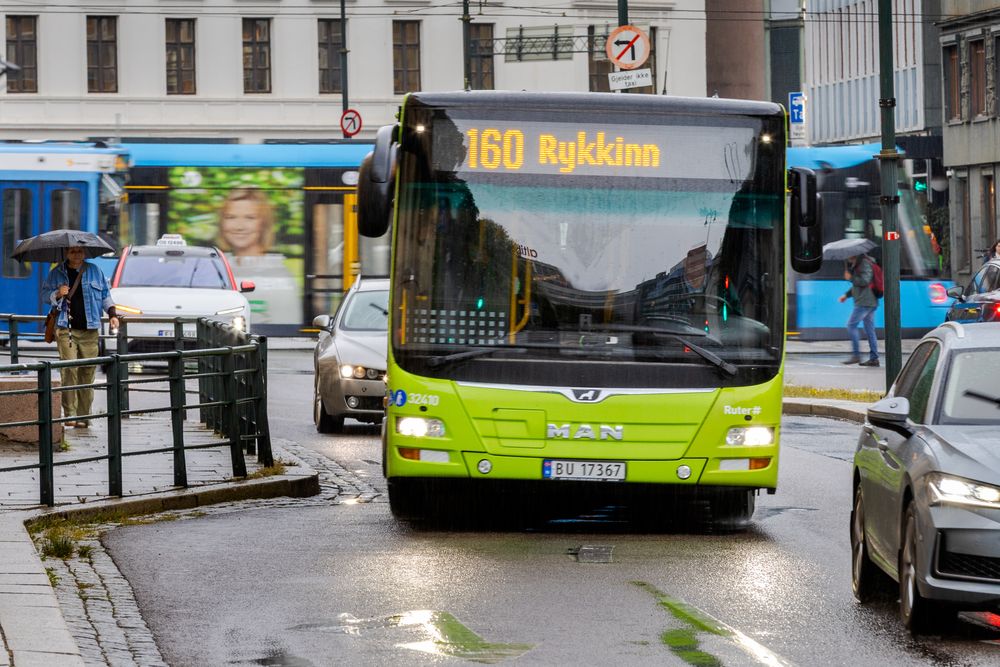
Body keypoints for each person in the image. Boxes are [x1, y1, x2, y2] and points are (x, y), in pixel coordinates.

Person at [41, 246, 120, 427]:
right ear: (66, 254)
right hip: (65, 328)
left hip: (90, 330)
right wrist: (57, 293)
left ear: (84, 253)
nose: (77, 254)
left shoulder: (94, 271)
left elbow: (105, 296)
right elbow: (44, 295)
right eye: (73, 251)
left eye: (80, 251)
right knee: (69, 370)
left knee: (87, 372)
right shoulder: (56, 273)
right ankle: (70, 415)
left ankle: (84, 417)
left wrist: (113, 314)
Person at [838, 253, 880, 367]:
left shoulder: (864, 263)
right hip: (867, 301)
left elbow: (865, 281)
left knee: (851, 325)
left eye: (849, 255)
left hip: (865, 302)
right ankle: (874, 358)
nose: (848, 258)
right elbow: (857, 286)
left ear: (854, 254)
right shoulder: (858, 265)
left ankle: (856, 355)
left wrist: (851, 278)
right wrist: (846, 295)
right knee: (870, 330)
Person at [216, 187, 275, 257]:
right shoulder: (216, 264)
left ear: (263, 223)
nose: (239, 227)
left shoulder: (274, 266)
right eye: (231, 217)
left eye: (249, 218)